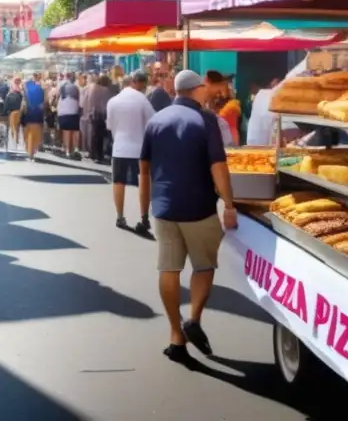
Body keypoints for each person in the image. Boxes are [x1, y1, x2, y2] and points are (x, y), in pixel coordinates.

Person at [140, 70, 237, 365]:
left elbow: (144, 169)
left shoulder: (155, 120)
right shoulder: (205, 120)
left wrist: (143, 211)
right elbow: (218, 166)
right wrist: (230, 205)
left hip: (164, 208)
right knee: (204, 266)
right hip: (199, 208)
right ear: (197, 90)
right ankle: (193, 318)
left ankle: (175, 335)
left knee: (168, 269)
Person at [106, 70, 155, 234]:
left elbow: (110, 126)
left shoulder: (113, 101)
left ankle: (120, 216)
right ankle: (144, 217)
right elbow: (152, 122)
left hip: (119, 146)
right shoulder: (142, 100)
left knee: (118, 181)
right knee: (144, 180)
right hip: (139, 147)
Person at [86, 75, 112, 163]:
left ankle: (92, 153)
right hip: (101, 115)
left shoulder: (92, 88)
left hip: (93, 114)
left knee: (93, 134)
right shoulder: (105, 90)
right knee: (100, 136)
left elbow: (89, 100)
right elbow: (106, 103)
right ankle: (99, 155)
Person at [57, 72, 82, 159]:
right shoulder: (76, 87)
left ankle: (67, 150)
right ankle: (75, 149)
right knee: (75, 131)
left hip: (63, 112)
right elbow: (80, 101)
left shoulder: (61, 86)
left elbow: (57, 97)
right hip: (74, 111)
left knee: (66, 132)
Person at [22, 72, 45, 160]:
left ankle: (30, 152)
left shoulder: (27, 88)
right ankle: (33, 151)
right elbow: (44, 102)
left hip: (29, 113)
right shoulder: (41, 88)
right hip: (38, 113)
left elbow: (24, 101)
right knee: (36, 132)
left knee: (29, 132)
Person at [4, 79, 24, 149]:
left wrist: (5, 112)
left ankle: (14, 141)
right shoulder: (20, 94)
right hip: (18, 112)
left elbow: (6, 105)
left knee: (12, 127)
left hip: (12, 112)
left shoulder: (9, 95)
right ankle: (17, 140)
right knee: (17, 127)